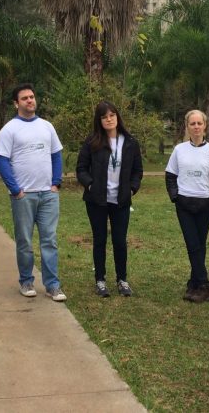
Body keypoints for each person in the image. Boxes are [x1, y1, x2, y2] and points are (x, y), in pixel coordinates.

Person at [0, 83, 66, 301]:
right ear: (16, 103)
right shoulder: (10, 129)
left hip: (48, 195)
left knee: (49, 240)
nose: (30, 100)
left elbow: (56, 154)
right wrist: (16, 190)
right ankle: (26, 281)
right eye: (25, 98)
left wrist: (56, 183)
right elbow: (2, 161)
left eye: (32, 97)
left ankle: (53, 285)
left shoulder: (47, 126)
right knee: (24, 241)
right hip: (24, 197)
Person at [76, 101, 143, 297]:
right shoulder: (92, 142)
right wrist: (90, 185)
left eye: (112, 115)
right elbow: (81, 168)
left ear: (117, 117)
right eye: (104, 116)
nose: (109, 119)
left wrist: (132, 189)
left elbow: (137, 171)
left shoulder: (130, 142)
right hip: (97, 200)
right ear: (99, 120)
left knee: (120, 241)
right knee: (100, 240)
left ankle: (122, 279)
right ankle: (100, 280)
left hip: (121, 200)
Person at [165, 110, 209, 303]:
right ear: (187, 127)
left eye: (199, 123)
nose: (196, 127)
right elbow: (170, 175)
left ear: (205, 126)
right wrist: (175, 196)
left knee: (199, 245)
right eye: (192, 124)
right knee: (193, 244)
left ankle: (197, 284)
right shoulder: (179, 150)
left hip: (204, 205)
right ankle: (202, 284)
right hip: (184, 204)